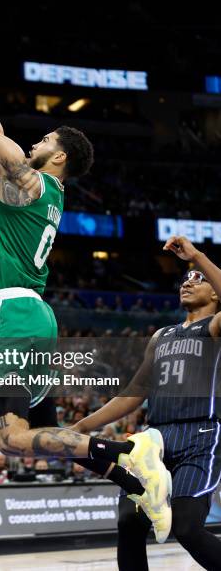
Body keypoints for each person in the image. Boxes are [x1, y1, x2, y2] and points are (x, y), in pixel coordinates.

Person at [0, 0, 172, 541]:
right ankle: (136, 482)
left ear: (60, 157)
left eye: (44, 138)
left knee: (10, 438)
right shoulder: (34, 198)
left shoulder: (30, 179)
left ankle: (132, 448)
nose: (34, 140)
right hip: (37, 317)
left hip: (14, 314)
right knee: (39, 432)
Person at [74, 235, 221, 570]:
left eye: (196, 279)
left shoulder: (214, 329)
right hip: (155, 439)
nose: (187, 282)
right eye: (183, 279)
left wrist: (197, 257)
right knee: (128, 520)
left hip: (201, 437)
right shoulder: (161, 336)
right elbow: (135, 390)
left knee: (187, 528)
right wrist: (84, 426)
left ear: (215, 290)